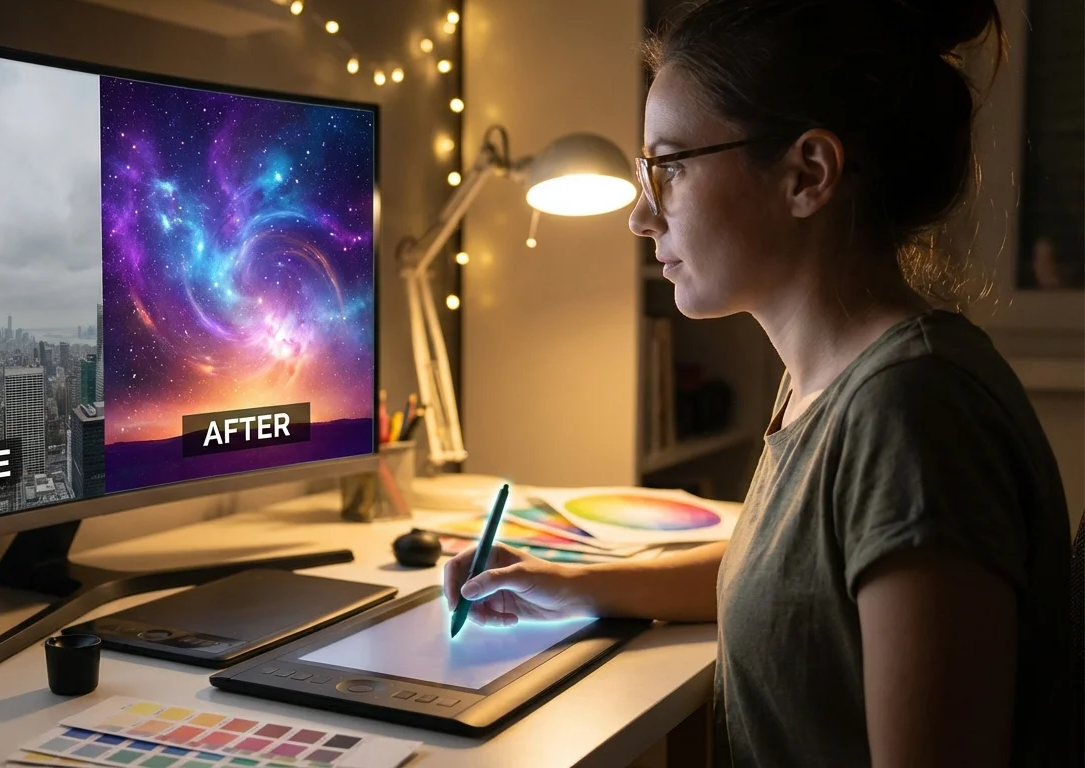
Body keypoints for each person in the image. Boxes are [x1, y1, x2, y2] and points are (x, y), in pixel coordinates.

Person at [443, 1, 1081, 765]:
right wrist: (572, 583)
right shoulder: (827, 379)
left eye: (670, 166)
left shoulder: (911, 414)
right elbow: (793, 578)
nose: (642, 215)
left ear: (807, 174)